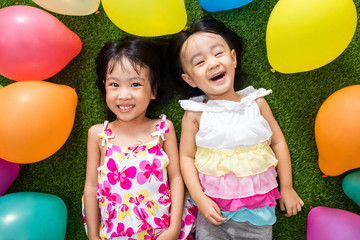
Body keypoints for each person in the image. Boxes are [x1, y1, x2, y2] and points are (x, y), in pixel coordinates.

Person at [168, 17, 304, 239]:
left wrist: (286, 188)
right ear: (189, 79)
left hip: (258, 212)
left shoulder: (256, 102)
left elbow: (278, 143)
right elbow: (186, 157)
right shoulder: (194, 113)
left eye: (218, 54)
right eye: (199, 62)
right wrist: (199, 198)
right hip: (214, 211)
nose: (212, 64)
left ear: (233, 59)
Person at [82, 39, 196, 240]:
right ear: (105, 87)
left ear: (153, 90)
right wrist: (93, 236)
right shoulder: (98, 135)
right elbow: (91, 187)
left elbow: (176, 178)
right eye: (114, 84)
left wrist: (173, 228)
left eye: (135, 84)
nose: (124, 95)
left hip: (162, 232)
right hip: (115, 234)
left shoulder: (162, 129)